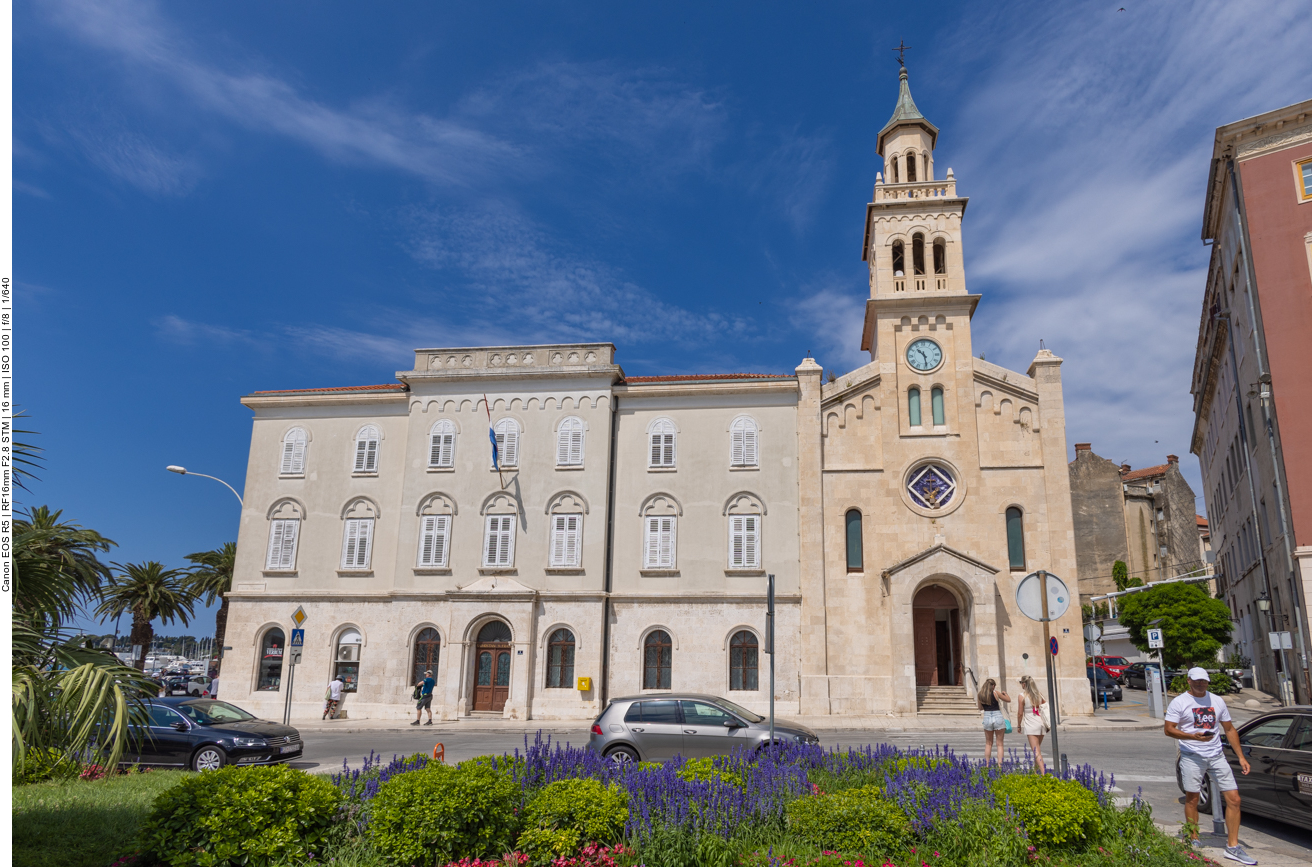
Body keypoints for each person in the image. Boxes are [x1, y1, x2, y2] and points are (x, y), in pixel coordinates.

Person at [1165, 667, 1254, 865]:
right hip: (1192, 754)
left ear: (1207, 681)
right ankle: (1194, 838)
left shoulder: (1217, 700)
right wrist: (1192, 736)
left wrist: (1241, 756)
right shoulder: (1180, 702)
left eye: (1203, 681)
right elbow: (1169, 730)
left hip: (1216, 754)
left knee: (1234, 799)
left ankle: (1232, 847)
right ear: (1189, 681)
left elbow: (1229, 729)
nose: (1200, 684)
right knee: (1193, 798)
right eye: (1196, 681)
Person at [1016, 675, 1049, 774]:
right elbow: (1044, 707)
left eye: (1021, 683)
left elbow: (1020, 713)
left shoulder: (1022, 696)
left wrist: (1018, 725)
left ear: (1024, 684)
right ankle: (1036, 772)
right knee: (1037, 749)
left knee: (1036, 751)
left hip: (1031, 724)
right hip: (1041, 723)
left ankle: (1044, 774)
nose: (1021, 685)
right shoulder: (1039, 694)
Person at [976, 678, 1011, 764]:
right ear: (993, 686)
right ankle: (1000, 765)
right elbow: (1008, 700)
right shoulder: (996, 693)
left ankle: (987, 765)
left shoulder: (980, 694)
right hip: (998, 716)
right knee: (1000, 744)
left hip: (987, 717)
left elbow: (980, 708)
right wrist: (1005, 694)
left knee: (988, 743)